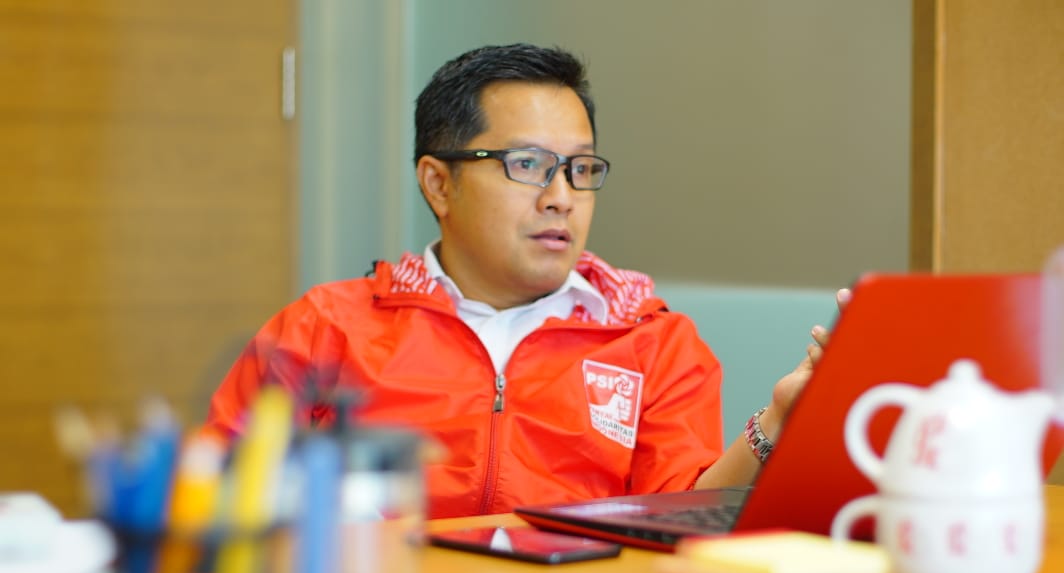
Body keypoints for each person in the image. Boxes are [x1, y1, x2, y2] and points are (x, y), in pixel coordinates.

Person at [206, 43, 846, 519]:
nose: (562, 196)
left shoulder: (655, 344)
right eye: (528, 164)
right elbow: (218, 494)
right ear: (439, 183)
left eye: (580, 169)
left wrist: (778, 422)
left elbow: (678, 520)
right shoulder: (325, 328)